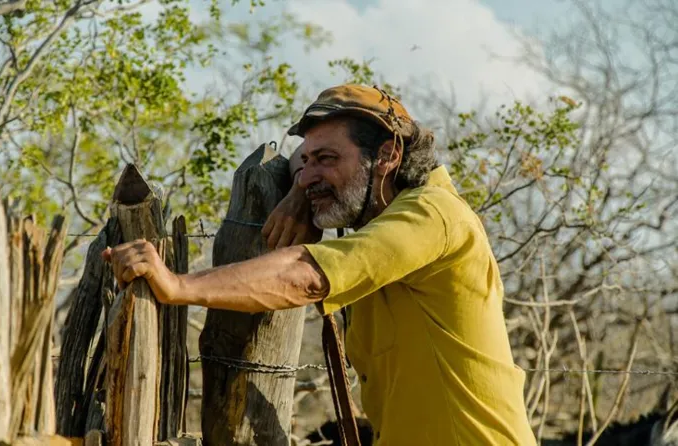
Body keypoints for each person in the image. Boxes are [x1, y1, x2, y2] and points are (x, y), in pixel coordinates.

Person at [102, 84, 537, 445]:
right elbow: (300, 162)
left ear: (387, 156)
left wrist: (176, 286)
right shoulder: (379, 209)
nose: (310, 173)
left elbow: (304, 276)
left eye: (327, 160)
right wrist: (298, 190)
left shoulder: (432, 216)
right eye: (308, 161)